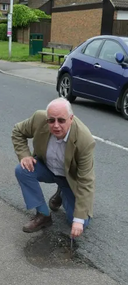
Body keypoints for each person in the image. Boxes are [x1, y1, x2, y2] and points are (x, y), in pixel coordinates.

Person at [12, 97, 95, 238]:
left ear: (71, 118)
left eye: (61, 120)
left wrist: (78, 220)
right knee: (22, 170)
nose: (56, 125)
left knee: (80, 222)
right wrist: (24, 155)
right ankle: (43, 214)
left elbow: (86, 181)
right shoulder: (39, 118)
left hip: (69, 178)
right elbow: (17, 131)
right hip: (47, 168)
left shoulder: (84, 140)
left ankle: (62, 192)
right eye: (51, 120)